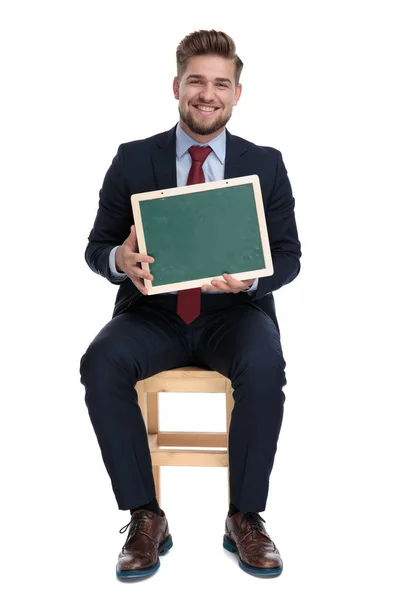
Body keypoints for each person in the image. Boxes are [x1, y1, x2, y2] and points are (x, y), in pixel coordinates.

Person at [79, 29, 301, 580]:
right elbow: (95, 247)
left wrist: (252, 281)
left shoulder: (266, 164)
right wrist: (118, 261)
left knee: (265, 361)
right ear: (177, 85)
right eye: (197, 81)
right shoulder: (133, 159)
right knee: (100, 362)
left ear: (237, 93)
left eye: (220, 83)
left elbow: (291, 257)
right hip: (152, 315)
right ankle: (146, 515)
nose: (208, 94)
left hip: (235, 316)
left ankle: (245, 516)